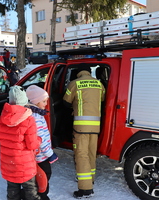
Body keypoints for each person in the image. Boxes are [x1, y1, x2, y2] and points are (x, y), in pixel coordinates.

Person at [63, 64, 105, 199]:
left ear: (78, 73)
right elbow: (102, 99)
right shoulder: (99, 84)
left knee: (81, 155)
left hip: (80, 127)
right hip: (96, 126)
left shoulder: (74, 83)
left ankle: (85, 190)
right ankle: (90, 178)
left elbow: (65, 102)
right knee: (91, 153)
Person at [0, 85, 42, 200]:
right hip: (24, 164)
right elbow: (32, 144)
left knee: (12, 190)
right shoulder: (29, 119)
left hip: (8, 162)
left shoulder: (3, 117)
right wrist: (39, 140)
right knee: (30, 190)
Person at [26, 85, 58, 200]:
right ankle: (41, 196)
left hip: (38, 155)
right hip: (40, 155)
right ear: (36, 101)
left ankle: (36, 194)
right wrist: (50, 154)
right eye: (43, 101)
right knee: (44, 175)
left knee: (38, 176)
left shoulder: (34, 113)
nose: (46, 103)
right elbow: (40, 139)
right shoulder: (35, 117)